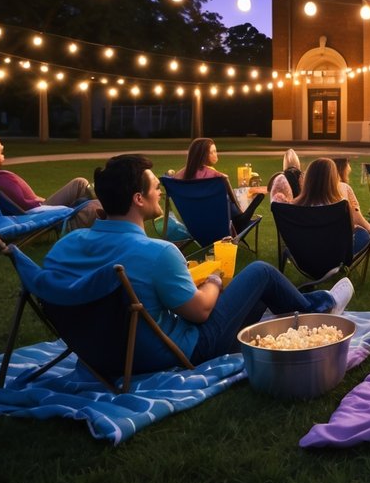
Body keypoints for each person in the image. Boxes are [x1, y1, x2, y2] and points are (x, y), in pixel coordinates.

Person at [40, 154, 353, 370]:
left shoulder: (64, 247)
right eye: (155, 188)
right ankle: (319, 308)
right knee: (259, 273)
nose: (159, 193)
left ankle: (300, 306)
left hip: (99, 351)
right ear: (138, 199)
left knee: (250, 300)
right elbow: (200, 313)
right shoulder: (158, 253)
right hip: (174, 351)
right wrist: (214, 280)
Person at [0, 134, 102, 229]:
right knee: (92, 200)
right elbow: (29, 209)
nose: (3, 157)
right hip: (37, 213)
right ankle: (92, 203)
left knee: (80, 183)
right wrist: (66, 209)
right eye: (0, 152)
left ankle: (86, 201)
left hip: (33, 208)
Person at [176, 137, 263, 232]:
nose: (216, 155)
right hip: (218, 223)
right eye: (211, 152)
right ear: (201, 155)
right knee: (238, 197)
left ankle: (242, 217)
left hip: (193, 223)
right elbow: (232, 199)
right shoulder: (216, 176)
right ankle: (241, 219)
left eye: (215, 151)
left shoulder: (179, 176)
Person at [293, 158, 370, 256]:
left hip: (305, 256)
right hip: (335, 256)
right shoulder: (341, 206)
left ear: (308, 179)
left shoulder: (295, 206)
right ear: (333, 179)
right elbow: (350, 231)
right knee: (363, 234)